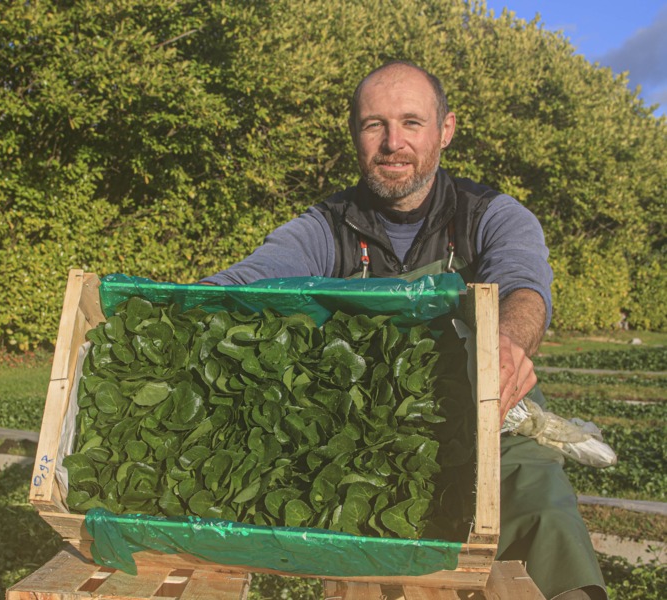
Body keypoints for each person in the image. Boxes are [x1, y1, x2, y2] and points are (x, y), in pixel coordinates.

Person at [201, 61, 606, 600]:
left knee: (544, 511)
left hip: (490, 420)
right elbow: (249, 279)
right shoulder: (326, 226)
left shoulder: (490, 215)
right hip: (360, 435)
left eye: (412, 122)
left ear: (445, 129)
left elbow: (523, 284)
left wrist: (506, 343)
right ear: (354, 133)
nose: (393, 143)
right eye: (375, 125)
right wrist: (178, 305)